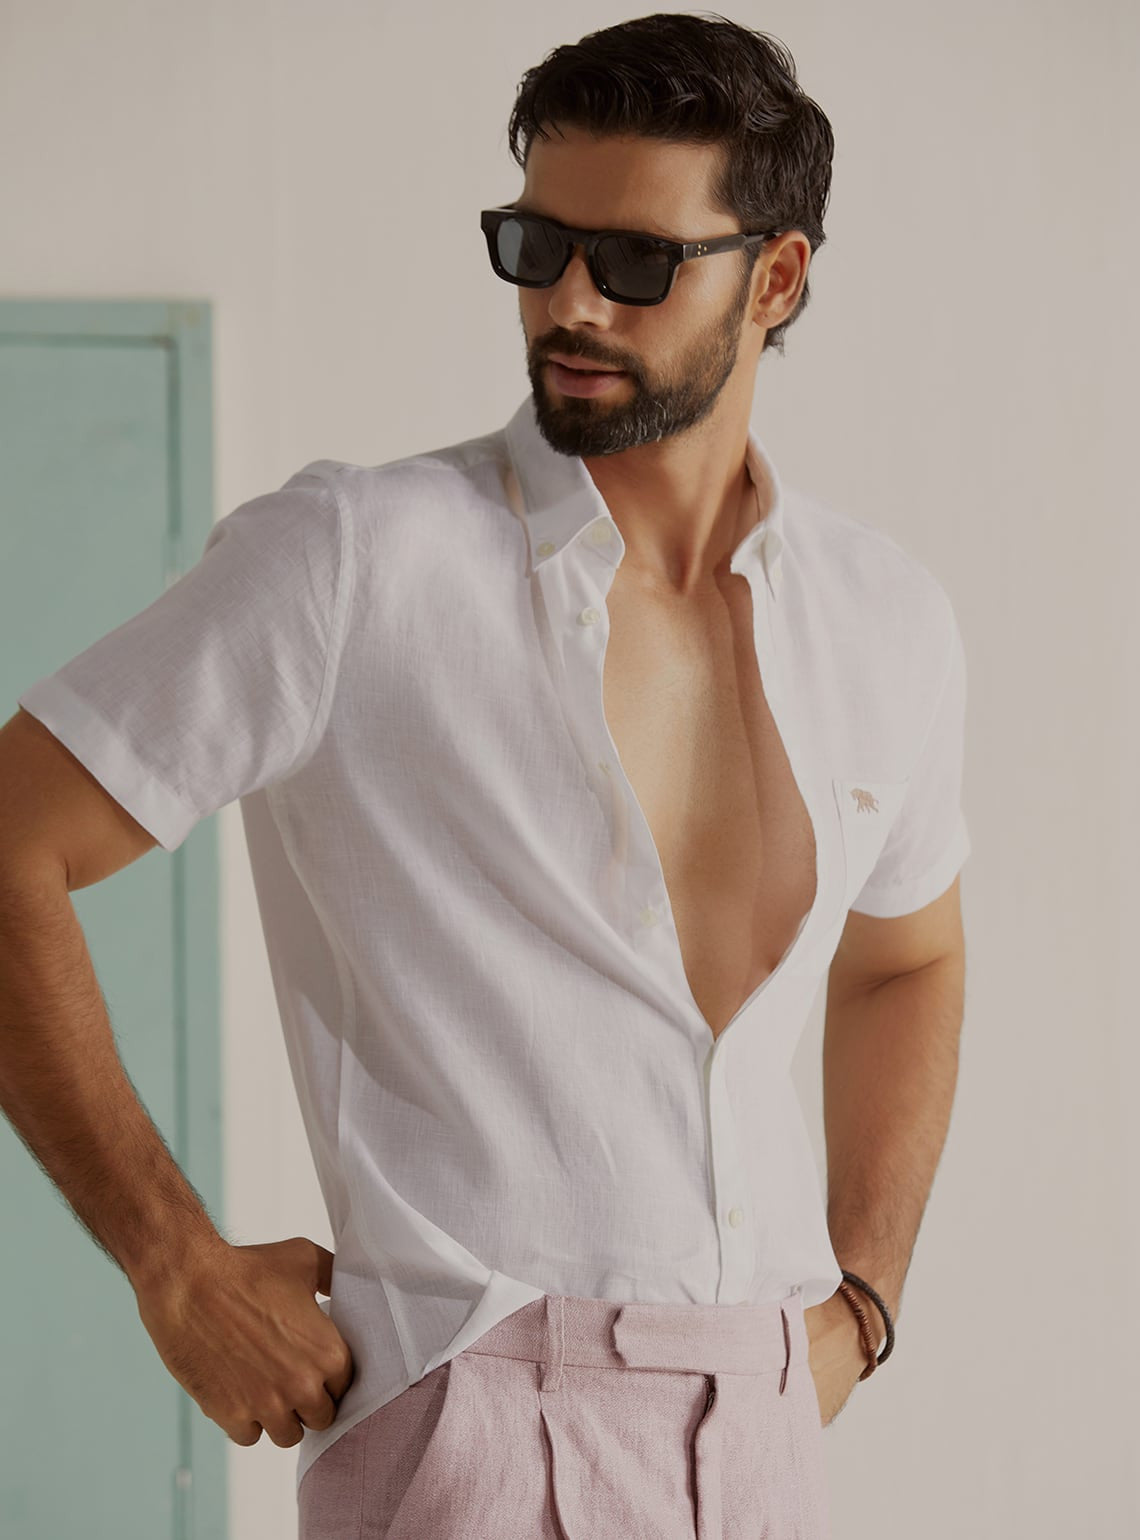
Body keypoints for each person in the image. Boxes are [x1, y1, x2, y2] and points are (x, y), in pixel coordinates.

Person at [0, 13, 970, 1538]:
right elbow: (11, 843)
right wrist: (169, 1260)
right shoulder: (357, 562)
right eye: (535, 245)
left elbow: (908, 957)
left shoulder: (884, 619)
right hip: (478, 1417)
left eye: (635, 262)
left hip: (768, 1427)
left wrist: (866, 1298)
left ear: (776, 279)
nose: (568, 300)